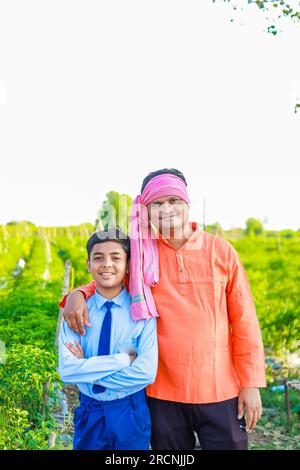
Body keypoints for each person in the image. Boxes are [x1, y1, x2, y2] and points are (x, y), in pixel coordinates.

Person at [60, 168, 266, 450]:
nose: (166, 209)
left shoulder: (221, 251)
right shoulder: (143, 254)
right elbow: (110, 276)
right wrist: (79, 292)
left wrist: (251, 383)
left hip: (220, 389)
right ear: (145, 211)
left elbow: (244, 321)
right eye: (156, 204)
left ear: (187, 203)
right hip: (162, 392)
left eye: (173, 201)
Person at [58, 227, 158, 450]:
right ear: (88, 264)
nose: (107, 264)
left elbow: (146, 372)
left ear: (128, 264)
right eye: (98, 258)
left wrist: (87, 370)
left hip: (130, 409)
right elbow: (67, 371)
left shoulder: (142, 312)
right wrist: (122, 362)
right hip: (90, 408)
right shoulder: (75, 313)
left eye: (116, 257)